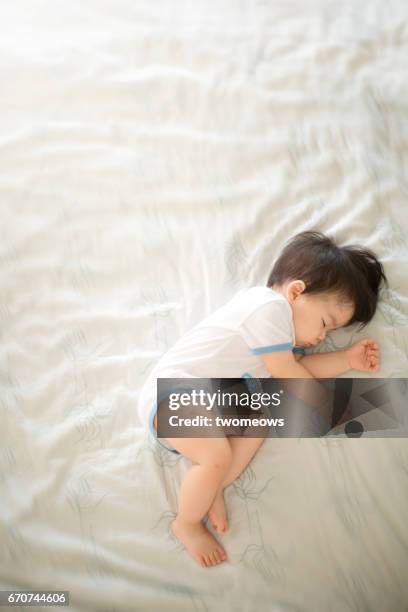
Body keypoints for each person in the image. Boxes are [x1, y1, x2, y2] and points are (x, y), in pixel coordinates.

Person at [137, 230, 388, 567]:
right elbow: (289, 374)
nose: (320, 337)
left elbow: (296, 367)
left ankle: (213, 489)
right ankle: (186, 523)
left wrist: (346, 360)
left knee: (259, 421)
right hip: (172, 394)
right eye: (325, 323)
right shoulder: (267, 308)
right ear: (296, 292)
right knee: (215, 454)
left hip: (211, 400)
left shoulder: (281, 342)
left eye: (329, 333)